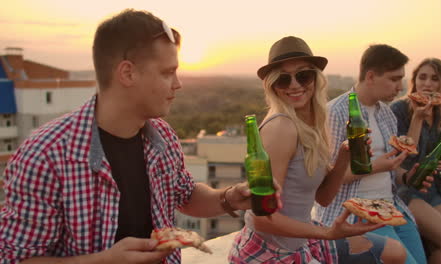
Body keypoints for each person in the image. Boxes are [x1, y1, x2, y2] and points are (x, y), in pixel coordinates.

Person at [0, 9, 261, 264]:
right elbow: (16, 258)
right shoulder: (45, 155)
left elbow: (186, 195)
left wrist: (229, 198)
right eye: (167, 72)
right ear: (127, 73)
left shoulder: (162, 136)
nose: (178, 83)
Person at [228, 36, 408, 264]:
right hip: (272, 252)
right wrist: (328, 233)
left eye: (303, 75)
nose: (295, 85)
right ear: (273, 85)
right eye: (284, 79)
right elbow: (263, 218)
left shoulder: (312, 123)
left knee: (395, 252)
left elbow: (322, 197)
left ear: (316, 78)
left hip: (301, 240)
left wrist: (344, 156)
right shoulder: (281, 127)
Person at [315, 44, 433, 264]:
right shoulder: (336, 112)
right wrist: (375, 166)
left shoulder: (386, 113)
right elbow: (326, 180)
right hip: (358, 214)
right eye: (394, 79)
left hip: (392, 207)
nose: (400, 87)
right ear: (370, 76)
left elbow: (390, 168)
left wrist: (407, 177)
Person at [390, 58, 441, 263]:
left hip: (432, 189)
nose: (427, 84)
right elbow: (402, 157)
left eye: (434, 79)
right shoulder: (399, 110)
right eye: (422, 77)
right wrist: (419, 117)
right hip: (406, 188)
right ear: (414, 81)